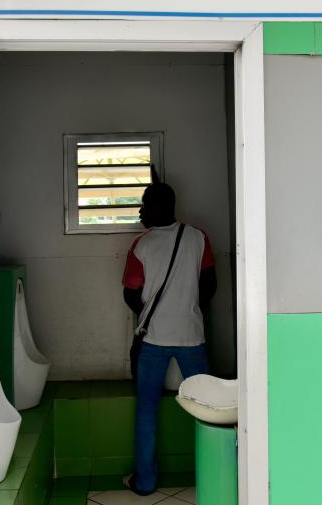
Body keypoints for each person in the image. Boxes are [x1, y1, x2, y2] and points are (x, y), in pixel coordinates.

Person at [121, 181, 217, 495]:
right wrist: (185, 308)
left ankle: (146, 482)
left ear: (160, 207)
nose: (140, 211)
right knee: (207, 408)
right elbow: (210, 287)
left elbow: (131, 294)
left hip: (154, 340)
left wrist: (154, 313)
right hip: (192, 336)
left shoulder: (141, 245)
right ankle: (214, 475)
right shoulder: (198, 238)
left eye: (144, 205)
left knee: (147, 410)